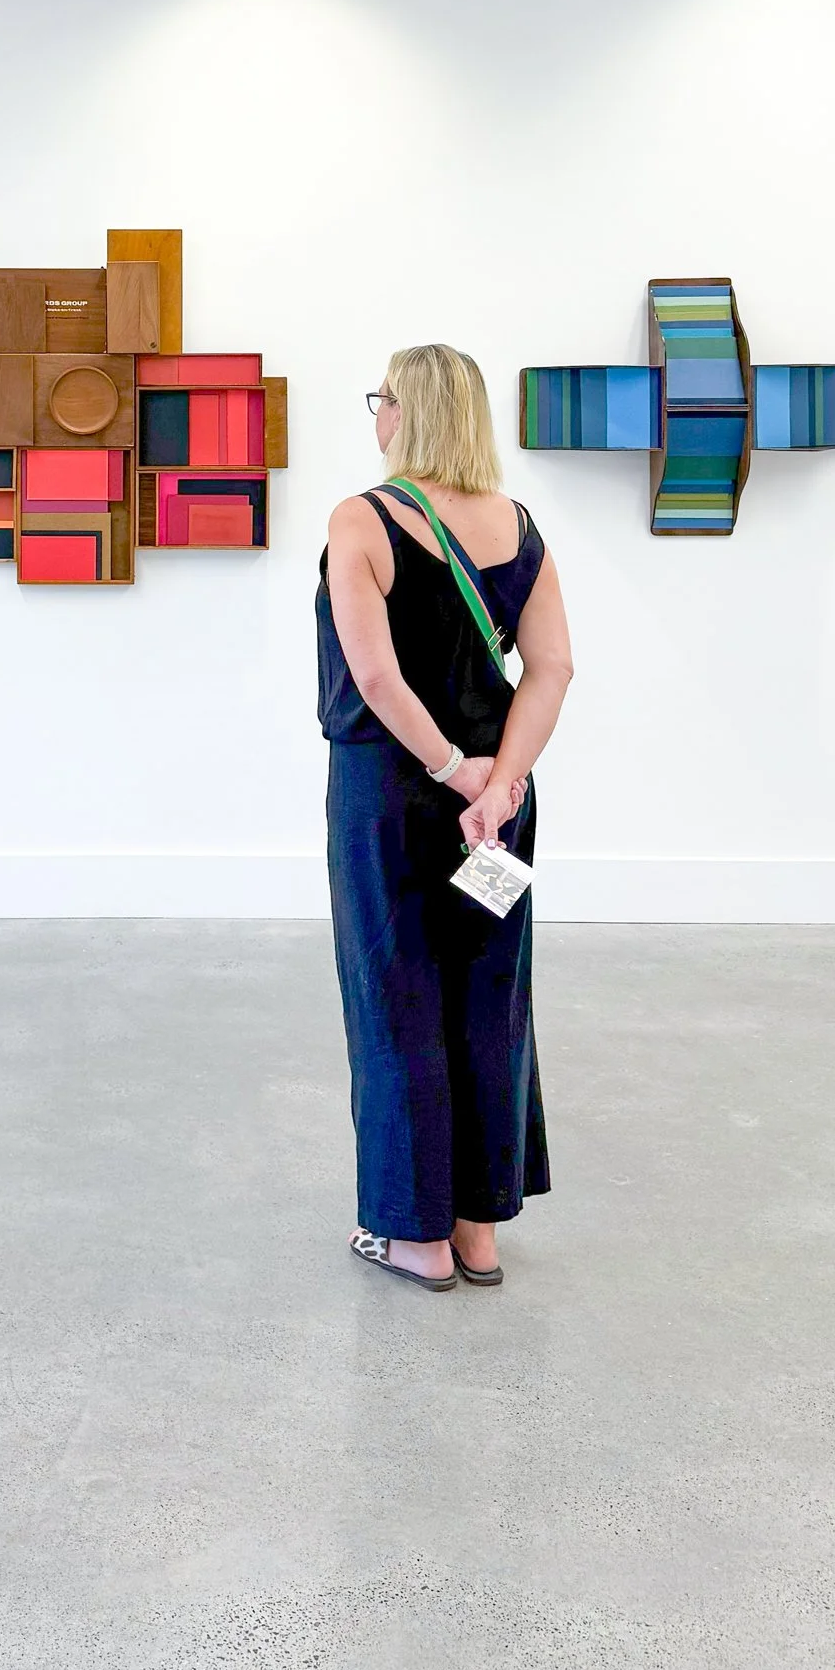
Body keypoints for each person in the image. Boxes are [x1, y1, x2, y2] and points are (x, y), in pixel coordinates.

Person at [317, 344, 574, 1292]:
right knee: (487, 1001)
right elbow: (550, 668)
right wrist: (500, 783)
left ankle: (412, 1237)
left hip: (393, 793)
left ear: (406, 412)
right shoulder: (519, 525)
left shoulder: (362, 519)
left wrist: (451, 771)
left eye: (379, 397)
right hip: (496, 812)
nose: (374, 414)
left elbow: (373, 676)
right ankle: (476, 1232)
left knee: (395, 996)